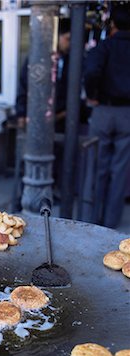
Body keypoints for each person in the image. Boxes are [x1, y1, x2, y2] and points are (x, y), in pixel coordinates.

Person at [84, 4, 130, 229]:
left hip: (103, 109)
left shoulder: (104, 47)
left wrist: (92, 96)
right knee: (120, 170)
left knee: (97, 166)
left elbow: (91, 71)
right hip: (127, 113)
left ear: (112, 23)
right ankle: (111, 224)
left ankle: (94, 219)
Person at [15, 17, 71, 132]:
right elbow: (23, 85)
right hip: (37, 116)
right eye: (67, 39)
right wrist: (21, 113)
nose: (69, 44)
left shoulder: (71, 60)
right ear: (57, 36)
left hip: (61, 118)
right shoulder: (37, 58)